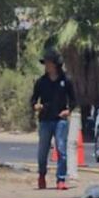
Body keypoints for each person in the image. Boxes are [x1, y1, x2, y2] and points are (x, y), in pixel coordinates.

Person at [31, 49, 77, 190]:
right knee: (43, 151)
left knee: (61, 149)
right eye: (46, 63)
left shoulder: (66, 81)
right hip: (45, 120)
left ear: (56, 64)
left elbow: (74, 100)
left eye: (49, 63)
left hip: (60, 121)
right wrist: (36, 106)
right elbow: (33, 99)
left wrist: (68, 111)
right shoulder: (41, 82)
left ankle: (61, 179)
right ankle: (42, 175)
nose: (47, 65)